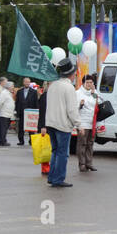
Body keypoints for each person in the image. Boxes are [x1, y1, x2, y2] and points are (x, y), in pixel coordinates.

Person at [43, 59, 81, 187]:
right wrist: (78, 124)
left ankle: (52, 177)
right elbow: (71, 109)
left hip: (51, 122)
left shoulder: (53, 85)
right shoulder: (69, 87)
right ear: (71, 74)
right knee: (62, 153)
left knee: (55, 151)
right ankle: (58, 179)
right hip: (62, 124)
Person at [75, 74, 100, 171]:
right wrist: (80, 105)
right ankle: (82, 164)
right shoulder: (78, 93)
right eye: (88, 82)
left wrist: (95, 94)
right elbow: (73, 107)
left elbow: (100, 103)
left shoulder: (94, 93)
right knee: (82, 144)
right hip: (82, 123)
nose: (89, 84)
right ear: (83, 83)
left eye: (91, 82)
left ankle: (89, 163)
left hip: (92, 122)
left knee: (90, 143)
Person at [15, 77, 39, 145]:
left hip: (30, 113)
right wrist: (17, 111)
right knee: (21, 127)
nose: (27, 83)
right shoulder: (19, 91)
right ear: (23, 82)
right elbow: (17, 102)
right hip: (22, 112)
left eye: (28, 82)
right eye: (26, 82)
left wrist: (36, 112)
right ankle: (21, 141)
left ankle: (31, 141)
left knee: (31, 128)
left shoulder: (34, 92)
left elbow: (36, 102)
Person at [0, 77, 16, 146]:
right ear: (9, 87)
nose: (13, 87)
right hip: (4, 113)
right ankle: (2, 141)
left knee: (5, 128)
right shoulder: (4, 93)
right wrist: (0, 110)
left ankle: (3, 140)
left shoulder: (9, 93)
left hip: (8, 114)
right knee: (3, 128)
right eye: (12, 86)